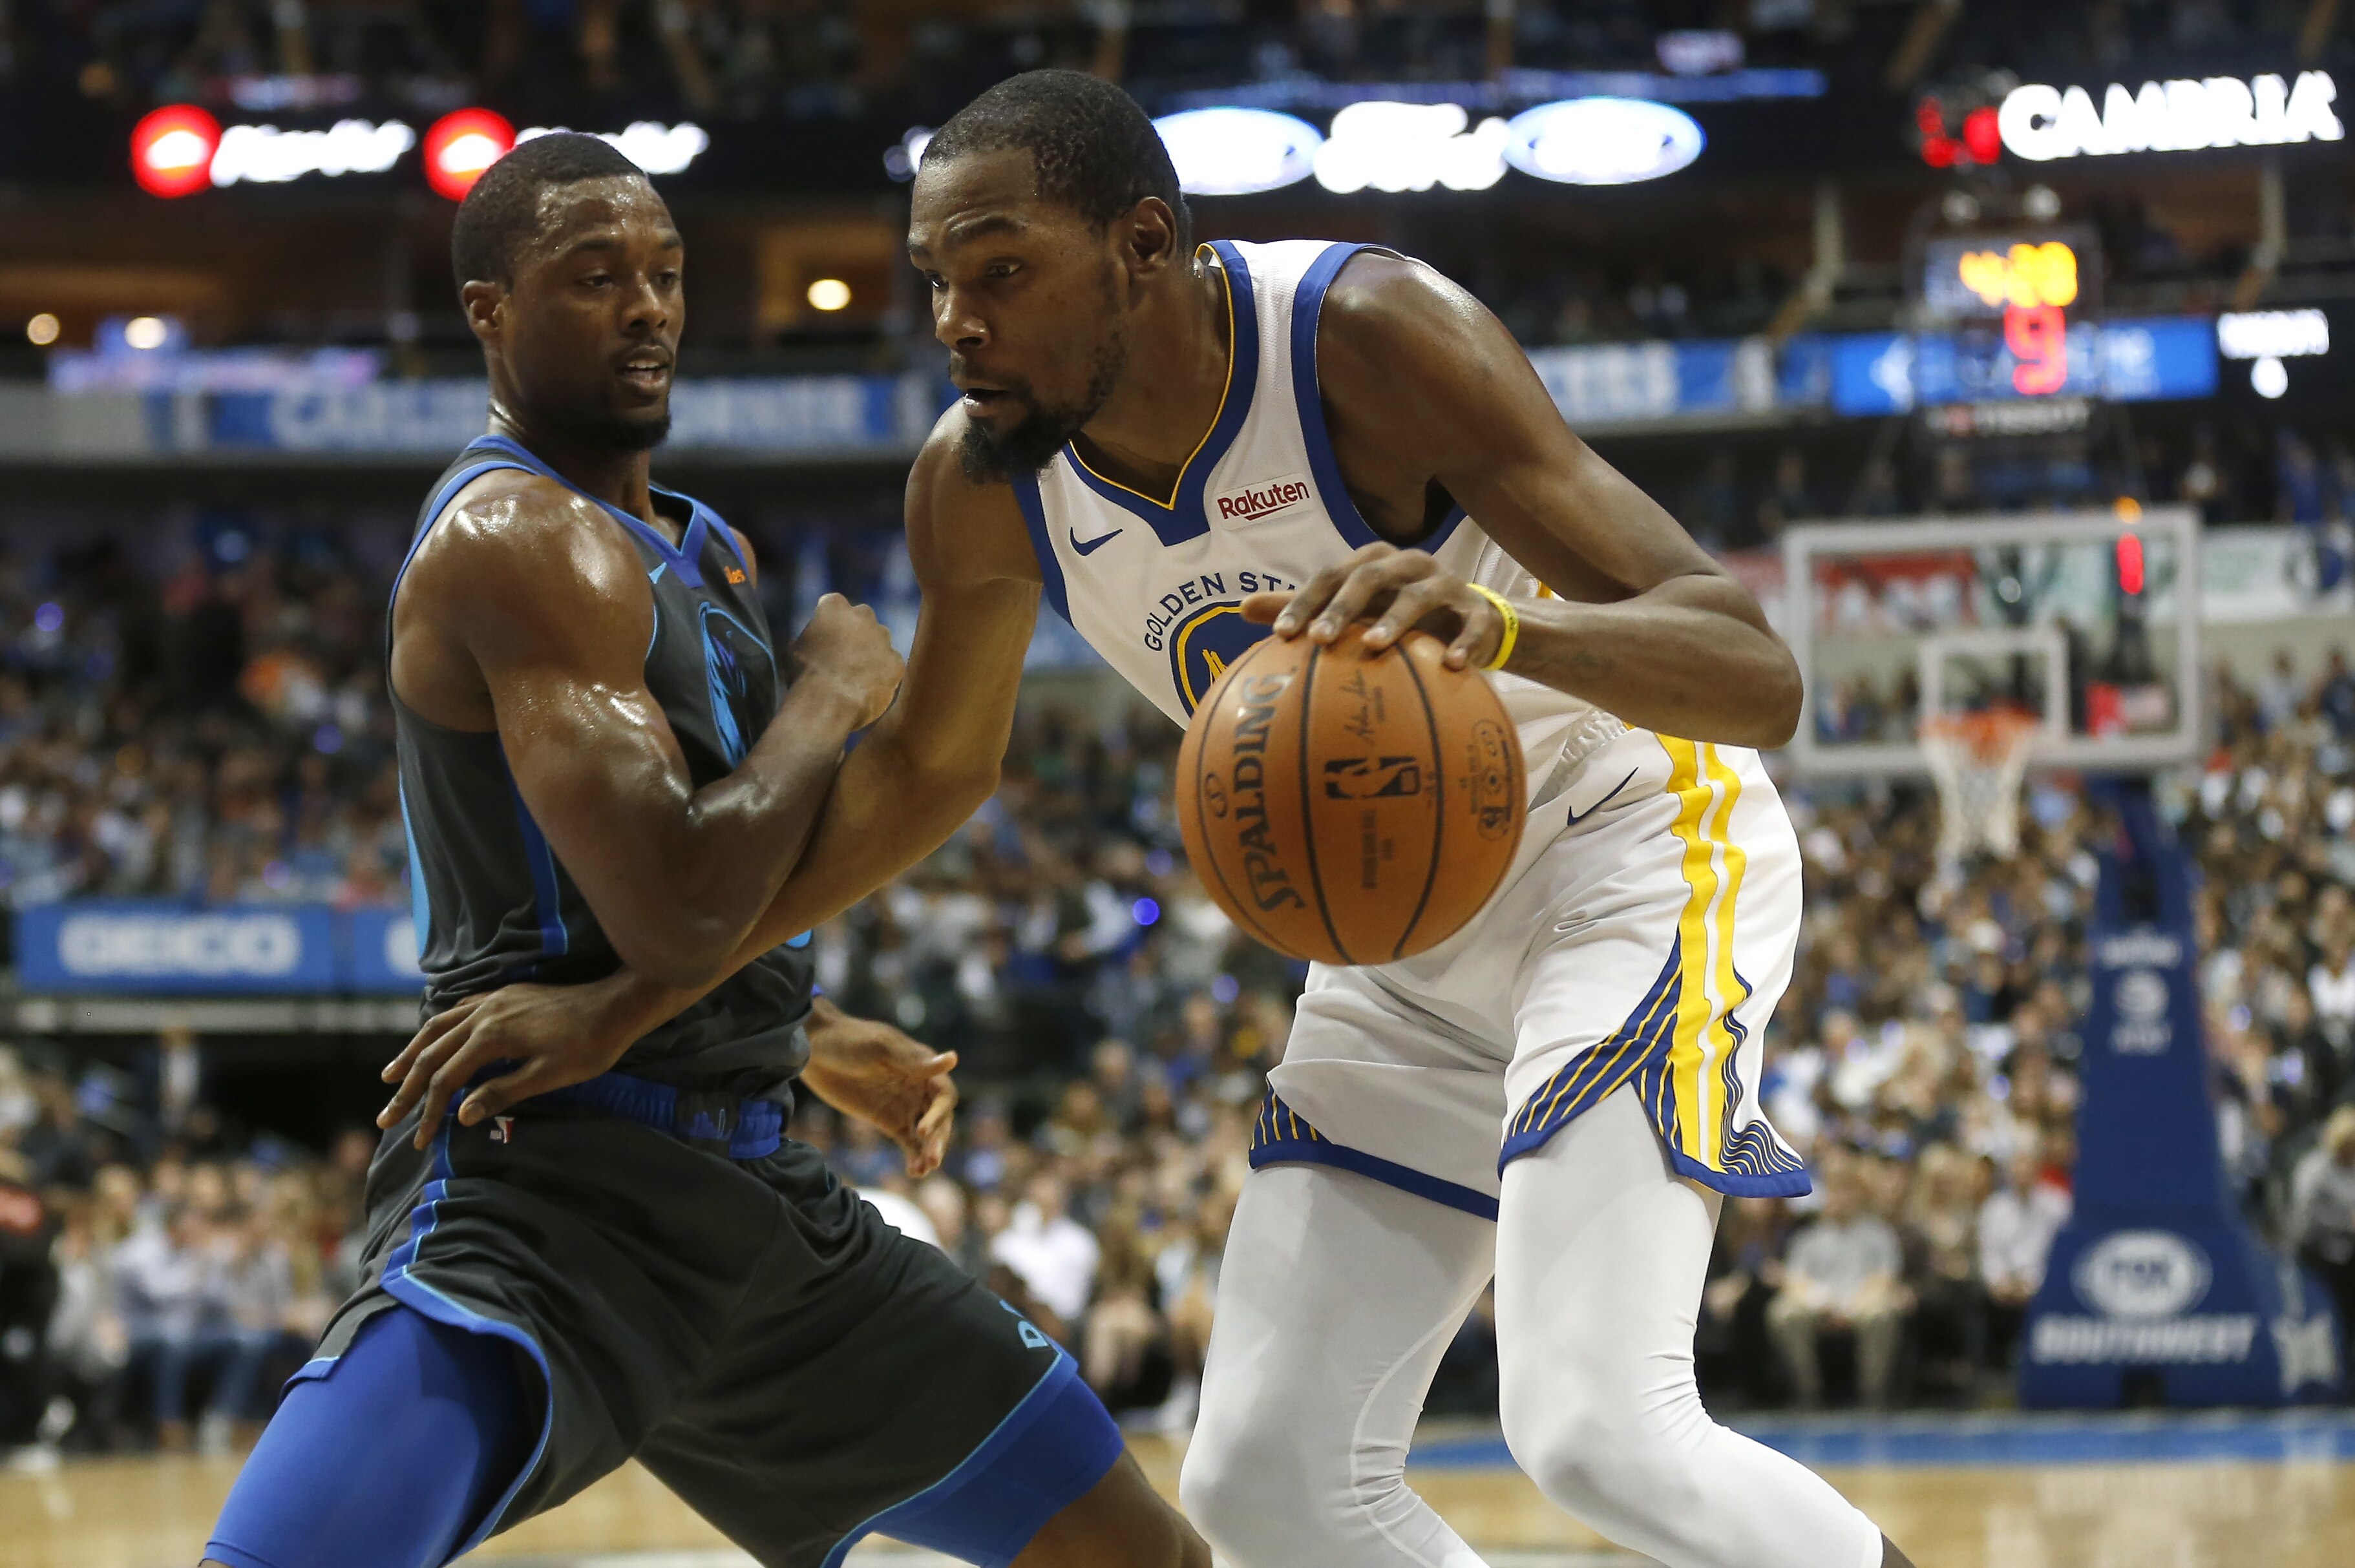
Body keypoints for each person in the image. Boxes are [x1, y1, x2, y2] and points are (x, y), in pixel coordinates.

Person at [385, 74, 1912, 1568]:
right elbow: (923, 779)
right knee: (1262, 1480)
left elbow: (1749, 668)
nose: (955, 322)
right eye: (934, 281)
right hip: (1394, 951)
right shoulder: (982, 480)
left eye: (1000, 272)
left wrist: (1506, 633)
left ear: (1142, 244)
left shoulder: (1360, 337)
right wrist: (637, 1003)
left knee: (1594, 1426)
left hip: (1624, 852)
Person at [198, 132, 1207, 1568]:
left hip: (758, 1200)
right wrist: (834, 695)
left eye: (665, 274)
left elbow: (700, 902)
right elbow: (675, 904)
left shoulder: (702, 545)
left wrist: (803, 1027)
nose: (648, 307)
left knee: (1141, 1557)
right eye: (596, 275)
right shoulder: (512, 536)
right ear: (488, 309)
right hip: (551, 1195)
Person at [1765, 1167, 1910, 1408]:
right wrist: (1823, 1303)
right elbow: (1795, 1280)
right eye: (1835, 1192)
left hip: (1863, 1302)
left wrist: (1852, 1306)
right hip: (1819, 1303)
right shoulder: (1808, 1238)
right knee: (1783, 1314)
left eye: (1847, 1192)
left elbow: (1884, 1278)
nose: (1841, 1199)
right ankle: (1807, 1391)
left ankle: (1872, 1393)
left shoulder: (1879, 1234)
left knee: (1881, 1315)